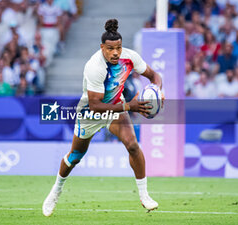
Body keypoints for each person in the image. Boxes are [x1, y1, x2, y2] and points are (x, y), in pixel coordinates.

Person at [42, 19, 163, 216]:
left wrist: (157, 91)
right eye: (110, 49)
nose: (115, 53)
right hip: (90, 113)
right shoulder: (94, 67)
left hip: (116, 108)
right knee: (75, 157)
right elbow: (96, 105)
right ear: (102, 48)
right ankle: (55, 191)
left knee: (132, 145)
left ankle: (144, 195)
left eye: (118, 48)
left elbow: (154, 76)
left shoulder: (130, 57)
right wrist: (129, 106)